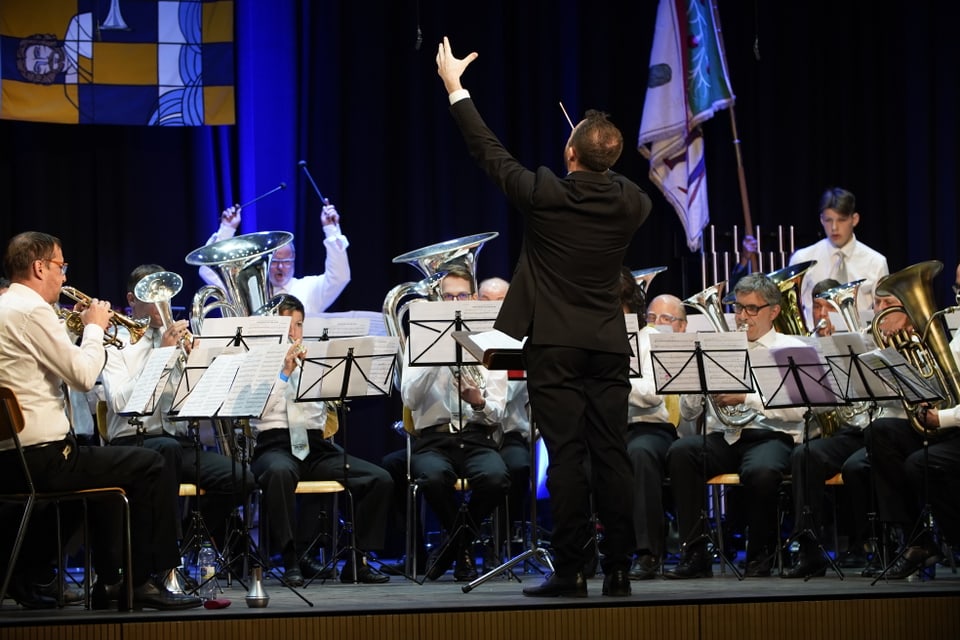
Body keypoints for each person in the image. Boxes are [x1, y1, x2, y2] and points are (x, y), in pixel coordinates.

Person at [437, 37, 651, 598]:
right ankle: (621, 570)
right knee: (613, 455)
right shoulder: (632, 202)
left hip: (555, 346)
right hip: (607, 345)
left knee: (568, 459)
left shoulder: (545, 195)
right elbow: (620, 181)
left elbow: (489, 152)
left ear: (571, 154)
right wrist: (595, 159)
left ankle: (573, 570)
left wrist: (456, 88)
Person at [0, 231, 202, 610]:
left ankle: (57, 579)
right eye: (61, 267)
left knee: (97, 481)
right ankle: (142, 581)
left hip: (11, 458)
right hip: (43, 458)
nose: (64, 277)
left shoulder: (6, 308)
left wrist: (67, 330)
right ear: (39, 266)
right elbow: (81, 375)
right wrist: (94, 326)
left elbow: (37, 364)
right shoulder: (32, 310)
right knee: (151, 464)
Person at [99, 264, 257, 563]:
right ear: (132, 300)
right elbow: (121, 403)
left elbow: (195, 403)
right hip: (133, 441)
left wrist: (199, 363)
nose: (163, 305)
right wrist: (161, 356)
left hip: (175, 441)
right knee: (166, 452)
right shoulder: (115, 341)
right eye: (153, 295)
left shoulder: (178, 341)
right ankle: (164, 564)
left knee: (242, 478)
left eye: (167, 296)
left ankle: (183, 541)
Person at [665, 273, 807, 579]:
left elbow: (800, 408)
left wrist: (748, 398)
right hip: (726, 436)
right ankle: (695, 554)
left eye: (752, 309)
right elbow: (690, 415)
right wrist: (694, 384)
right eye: (738, 307)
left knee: (762, 472)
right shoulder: (721, 346)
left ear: (774, 311)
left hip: (771, 436)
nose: (743, 316)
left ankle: (760, 556)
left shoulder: (790, 347)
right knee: (681, 452)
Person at [249, 295, 392, 585]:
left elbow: (320, 415)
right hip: (274, 443)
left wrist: (337, 380)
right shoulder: (258, 361)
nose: (294, 333)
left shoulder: (313, 358)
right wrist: (285, 373)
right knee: (279, 472)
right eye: (287, 326)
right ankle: (290, 560)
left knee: (379, 479)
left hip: (313, 446)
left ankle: (357, 561)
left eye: (299, 325)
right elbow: (255, 411)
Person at [402, 265, 511, 582]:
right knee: (433, 478)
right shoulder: (419, 338)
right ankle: (462, 549)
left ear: (474, 298)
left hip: (476, 436)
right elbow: (409, 399)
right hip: (433, 440)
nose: (454, 301)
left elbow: (498, 412)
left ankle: (452, 548)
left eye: (461, 295)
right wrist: (433, 356)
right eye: (447, 295)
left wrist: (477, 400)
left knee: (496, 478)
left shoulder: (491, 339)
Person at [863, 275, 960, 579]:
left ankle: (956, 542)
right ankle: (917, 542)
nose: (958, 294)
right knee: (880, 433)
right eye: (957, 286)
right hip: (952, 424)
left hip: (952, 426)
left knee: (921, 463)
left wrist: (941, 418)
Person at [619, 273, 684, 581]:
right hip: (609, 426)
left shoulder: (653, 338)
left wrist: (614, 383)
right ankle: (589, 550)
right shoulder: (595, 337)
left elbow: (652, 394)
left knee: (640, 455)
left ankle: (648, 553)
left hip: (650, 428)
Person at [199, 200, 351, 316]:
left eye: (285, 262)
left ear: (294, 259)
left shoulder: (308, 288)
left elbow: (340, 276)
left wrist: (331, 230)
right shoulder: (247, 290)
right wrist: (227, 229)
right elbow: (207, 269)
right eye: (275, 262)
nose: (280, 267)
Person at [788, 187, 889, 329]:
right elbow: (793, 309)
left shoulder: (876, 262)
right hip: (817, 343)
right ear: (821, 220)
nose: (834, 227)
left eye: (841, 220)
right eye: (828, 220)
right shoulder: (803, 259)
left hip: (861, 344)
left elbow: (883, 310)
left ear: (854, 219)